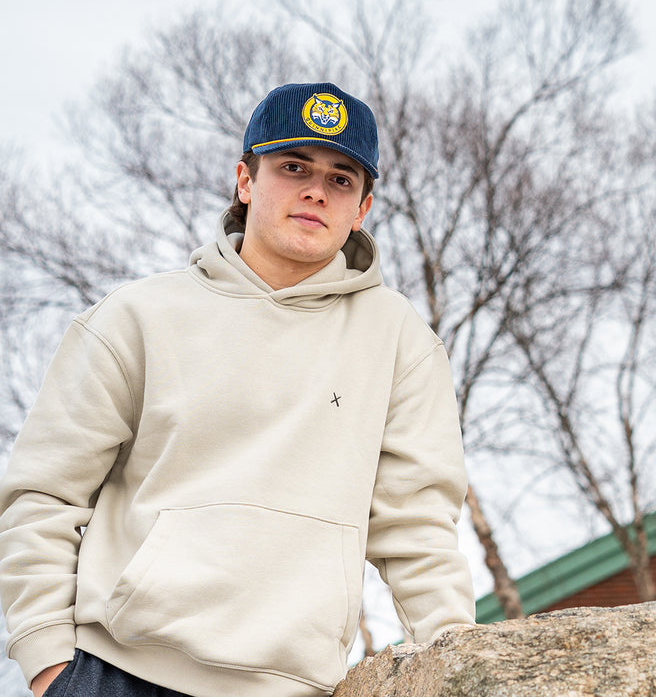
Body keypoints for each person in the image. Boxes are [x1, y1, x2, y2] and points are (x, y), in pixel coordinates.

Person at [0, 82, 475, 697]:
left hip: (290, 687)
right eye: (294, 167)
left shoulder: (401, 342)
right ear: (245, 181)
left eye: (340, 179)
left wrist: (462, 666)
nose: (316, 190)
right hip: (115, 673)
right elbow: (43, 494)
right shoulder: (137, 317)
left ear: (362, 209)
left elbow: (418, 529)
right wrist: (46, 659)